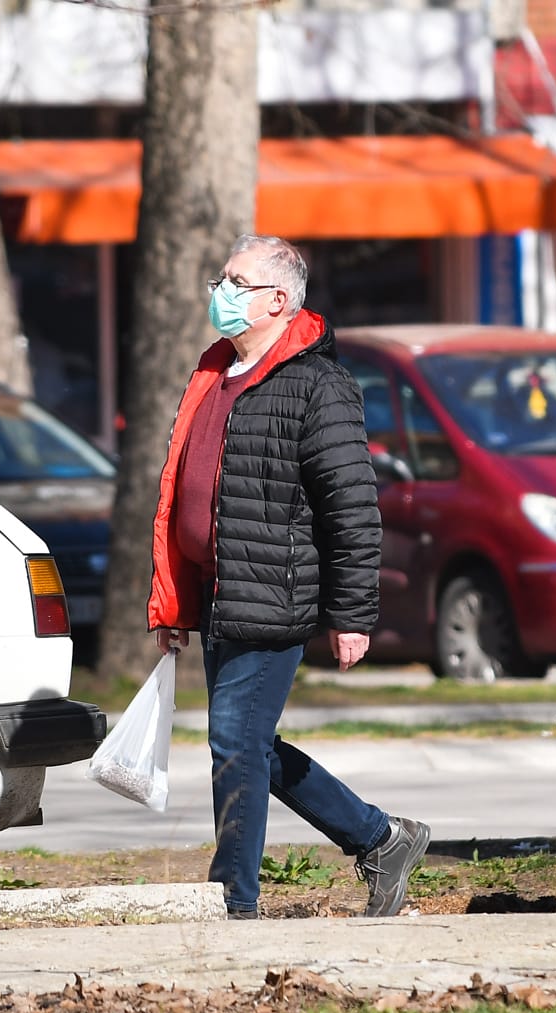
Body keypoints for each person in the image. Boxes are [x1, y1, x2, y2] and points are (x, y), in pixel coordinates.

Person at [147, 233, 431, 921]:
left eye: (236, 282)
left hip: (275, 590)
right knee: (247, 746)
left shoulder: (316, 383)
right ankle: (380, 838)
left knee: (233, 743)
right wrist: (173, 600)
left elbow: (351, 505)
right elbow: (183, 490)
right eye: (221, 280)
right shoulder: (215, 372)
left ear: (278, 300)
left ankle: (233, 898)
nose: (221, 293)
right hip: (220, 590)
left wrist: (353, 615)